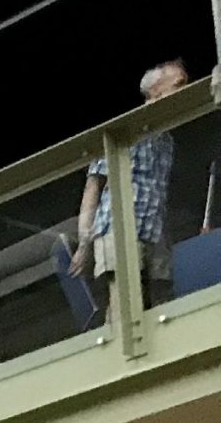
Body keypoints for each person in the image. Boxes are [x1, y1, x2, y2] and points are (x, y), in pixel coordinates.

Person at [75, 60, 190, 316]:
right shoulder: (129, 130)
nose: (185, 90)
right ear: (156, 90)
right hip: (121, 229)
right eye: (179, 84)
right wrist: (84, 243)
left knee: (159, 307)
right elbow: (94, 185)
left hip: (154, 235)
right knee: (124, 305)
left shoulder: (167, 141)